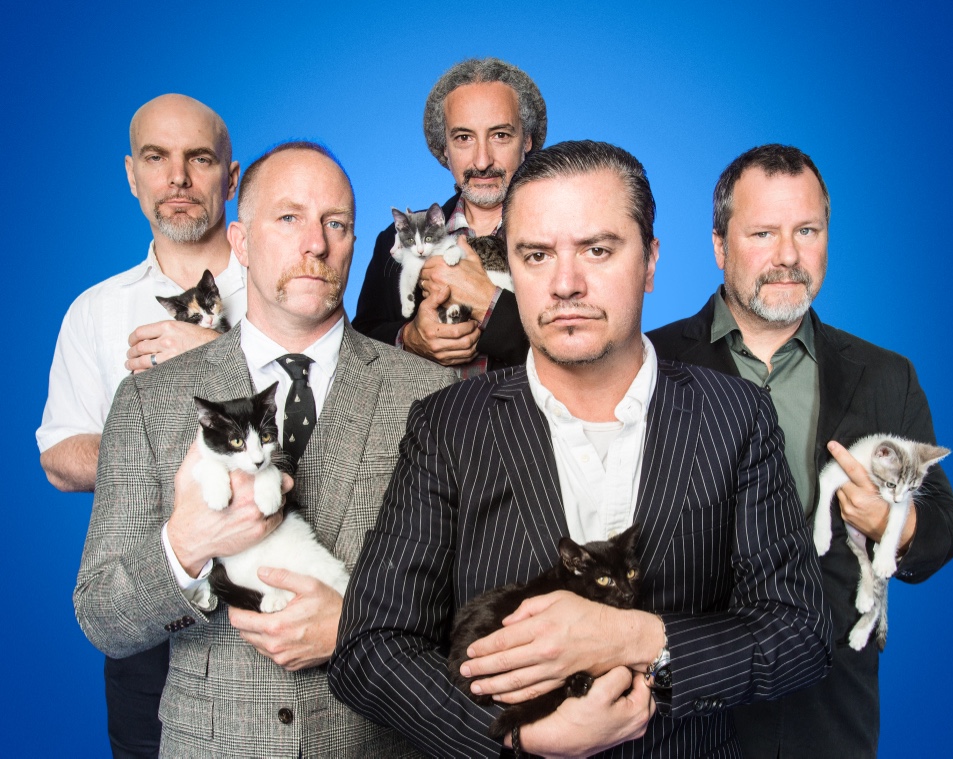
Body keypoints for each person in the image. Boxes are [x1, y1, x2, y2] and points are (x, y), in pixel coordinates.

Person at [331, 140, 832, 757]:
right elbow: (370, 648)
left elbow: (799, 632)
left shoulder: (735, 416)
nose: (565, 284)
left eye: (597, 250)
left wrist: (632, 638)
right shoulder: (448, 425)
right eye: (536, 255)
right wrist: (518, 736)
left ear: (650, 262)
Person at [73, 141, 454, 757]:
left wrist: (354, 628)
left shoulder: (433, 395)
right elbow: (102, 618)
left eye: (336, 223)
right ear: (241, 242)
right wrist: (185, 546)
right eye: (289, 217)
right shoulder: (150, 400)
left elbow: (474, 600)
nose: (316, 243)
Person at [647, 144, 953, 758]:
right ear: (720, 246)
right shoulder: (649, 364)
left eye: (807, 231)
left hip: (829, 713)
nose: (788, 255)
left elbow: (945, 529)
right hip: (682, 708)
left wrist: (891, 524)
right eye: (763, 233)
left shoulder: (886, 375)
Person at [38, 93, 246, 758]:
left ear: (231, 179)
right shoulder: (95, 311)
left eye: (199, 159)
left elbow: (332, 424)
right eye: (157, 158)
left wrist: (217, 354)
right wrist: (171, 458)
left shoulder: (287, 290)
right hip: (150, 608)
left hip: (275, 602)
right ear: (132, 175)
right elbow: (60, 455)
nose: (177, 178)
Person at [352, 56, 547, 375]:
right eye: (464, 138)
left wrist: (491, 305)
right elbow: (358, 345)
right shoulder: (395, 239)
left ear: (526, 140)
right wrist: (408, 339)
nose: (482, 161)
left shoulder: (565, 234)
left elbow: (591, 350)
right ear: (444, 148)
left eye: (500, 135)